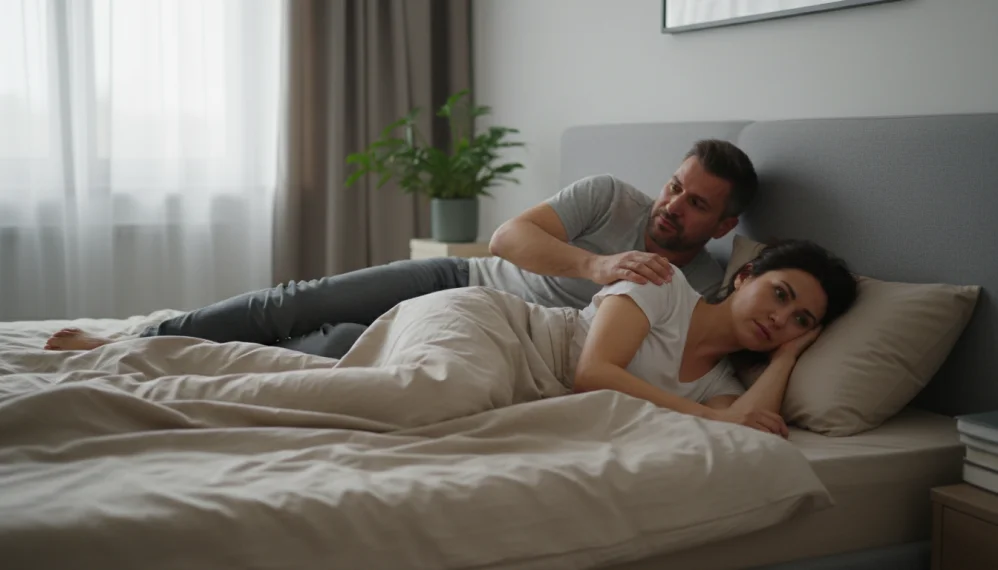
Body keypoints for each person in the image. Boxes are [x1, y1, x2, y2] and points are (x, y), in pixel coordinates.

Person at [42, 239, 858, 437]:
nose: (779, 318)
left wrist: (786, 358)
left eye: (802, 320)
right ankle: (153, 387)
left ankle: (141, 355)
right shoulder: (659, 285)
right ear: (743, 274)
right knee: (426, 393)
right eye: (780, 294)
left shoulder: (723, 382)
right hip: (490, 324)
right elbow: (593, 372)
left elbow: (753, 424)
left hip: (500, 361)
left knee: (326, 365)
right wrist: (711, 417)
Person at [44, 139, 759, 357]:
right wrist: (596, 264)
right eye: (674, 186)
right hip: (459, 275)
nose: (672, 206)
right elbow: (510, 237)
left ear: (724, 226)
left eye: (696, 204)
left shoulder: (705, 282)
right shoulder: (610, 196)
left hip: (487, 331)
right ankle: (139, 340)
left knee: (337, 345)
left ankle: (190, 359)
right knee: (300, 301)